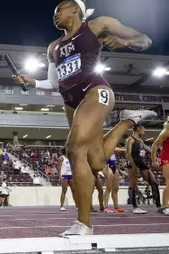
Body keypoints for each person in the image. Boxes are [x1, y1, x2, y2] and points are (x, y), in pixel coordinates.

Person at [13, 0, 156, 236]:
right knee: (96, 162)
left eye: (60, 8)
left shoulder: (98, 25)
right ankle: (128, 121)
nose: (55, 14)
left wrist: (124, 42)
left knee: (74, 149)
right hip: (71, 102)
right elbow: (52, 82)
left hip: (94, 90)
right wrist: (32, 82)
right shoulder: (53, 47)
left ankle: (84, 223)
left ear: (75, 9)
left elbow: (145, 41)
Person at [126, 125, 161, 214]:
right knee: (133, 185)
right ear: (138, 129)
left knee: (154, 182)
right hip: (133, 163)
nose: (144, 132)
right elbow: (128, 154)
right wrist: (134, 166)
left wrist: (155, 157)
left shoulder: (140, 141)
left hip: (142, 163)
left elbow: (148, 149)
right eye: (143, 130)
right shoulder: (130, 139)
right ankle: (135, 207)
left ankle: (159, 205)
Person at [151, 119, 169, 215]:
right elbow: (154, 145)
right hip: (166, 157)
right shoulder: (166, 131)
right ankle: (164, 207)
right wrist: (153, 160)